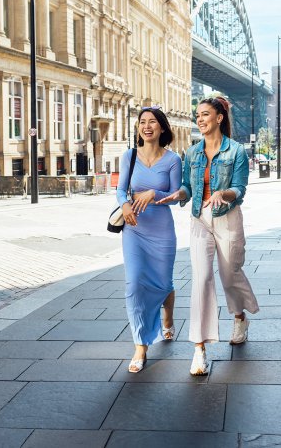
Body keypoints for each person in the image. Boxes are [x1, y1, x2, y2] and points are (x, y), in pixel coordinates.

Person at [156, 96, 259, 375]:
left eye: (204, 114)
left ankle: (240, 318)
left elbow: (240, 188)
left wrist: (223, 193)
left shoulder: (236, 151)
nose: (199, 119)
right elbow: (188, 185)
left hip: (227, 217)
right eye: (197, 115)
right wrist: (179, 193)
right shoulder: (192, 153)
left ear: (219, 118)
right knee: (201, 279)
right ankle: (199, 349)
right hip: (200, 219)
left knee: (229, 274)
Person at [117, 107, 182, 373]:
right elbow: (121, 189)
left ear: (162, 128)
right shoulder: (129, 156)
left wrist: (153, 193)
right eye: (142, 122)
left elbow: (178, 194)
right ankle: (140, 346)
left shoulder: (173, 160)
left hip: (162, 229)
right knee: (134, 284)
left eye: (152, 122)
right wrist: (124, 205)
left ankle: (168, 320)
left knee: (164, 285)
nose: (146, 126)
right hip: (134, 229)